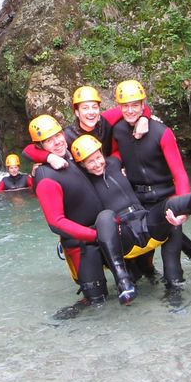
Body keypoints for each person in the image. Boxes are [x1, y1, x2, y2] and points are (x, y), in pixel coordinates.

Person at [70, 133, 191, 302]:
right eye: (90, 162)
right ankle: (123, 281)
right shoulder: (82, 180)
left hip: (144, 223)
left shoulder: (113, 162)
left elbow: (131, 141)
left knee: (169, 205)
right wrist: (49, 159)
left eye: (98, 157)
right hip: (123, 234)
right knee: (105, 217)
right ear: (82, 165)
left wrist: (146, 116)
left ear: (102, 153)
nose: (97, 164)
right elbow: (63, 174)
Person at [110, 79, 191, 288]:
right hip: (138, 203)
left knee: (172, 269)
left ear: (143, 104)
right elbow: (113, 154)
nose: (129, 110)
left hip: (166, 198)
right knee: (143, 268)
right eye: (125, 106)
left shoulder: (161, 132)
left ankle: (177, 303)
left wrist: (182, 207)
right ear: (118, 107)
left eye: (135, 105)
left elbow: (179, 173)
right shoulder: (118, 131)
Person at [26, 114, 136, 305]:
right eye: (49, 141)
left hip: (102, 234)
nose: (58, 142)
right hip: (82, 246)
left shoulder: (68, 156)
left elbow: (115, 115)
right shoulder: (45, 178)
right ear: (40, 146)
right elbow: (56, 223)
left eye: (58, 135)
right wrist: (95, 236)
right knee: (97, 303)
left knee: (136, 278)